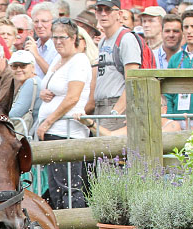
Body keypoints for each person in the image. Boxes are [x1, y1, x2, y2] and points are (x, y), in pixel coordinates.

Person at [35, 18, 91, 210]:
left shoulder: (79, 60)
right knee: (55, 185)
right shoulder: (57, 60)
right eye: (55, 38)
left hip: (66, 130)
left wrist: (47, 122)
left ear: (73, 38)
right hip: (54, 130)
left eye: (63, 37)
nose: (58, 42)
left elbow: (73, 97)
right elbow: (52, 87)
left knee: (68, 183)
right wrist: (44, 92)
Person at [94, 0, 142, 132]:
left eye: (108, 10)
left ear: (119, 14)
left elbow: (133, 80)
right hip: (101, 106)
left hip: (116, 106)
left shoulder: (126, 39)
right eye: (99, 9)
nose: (103, 14)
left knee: (107, 149)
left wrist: (116, 112)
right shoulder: (103, 41)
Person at [165, 9, 193, 126]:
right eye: (186, 27)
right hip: (177, 120)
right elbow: (168, 93)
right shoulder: (176, 58)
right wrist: (170, 119)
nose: (189, 31)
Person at [8, 49, 40, 132]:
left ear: (32, 67)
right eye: (15, 66)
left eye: (23, 65)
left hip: (33, 135)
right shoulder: (28, 82)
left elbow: (15, 114)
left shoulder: (31, 82)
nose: (18, 69)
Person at [25, 1, 57, 78]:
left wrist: (36, 55)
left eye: (44, 21)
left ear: (54, 23)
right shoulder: (33, 45)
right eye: (36, 21)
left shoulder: (58, 46)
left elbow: (54, 76)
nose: (39, 25)